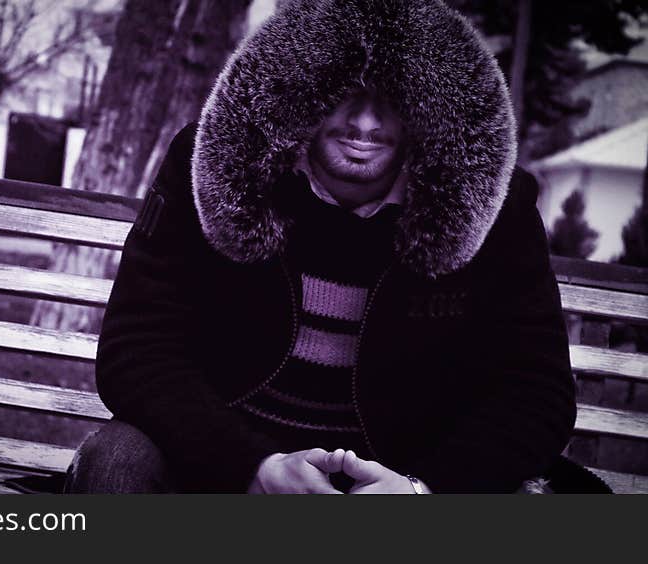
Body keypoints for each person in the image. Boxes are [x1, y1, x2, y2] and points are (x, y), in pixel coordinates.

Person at [64, 0, 609, 493]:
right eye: (343, 93)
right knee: (116, 461)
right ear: (304, 89)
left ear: (429, 106)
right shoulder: (212, 162)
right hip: (222, 462)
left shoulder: (495, 206)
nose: (365, 123)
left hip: (400, 478)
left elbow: (537, 392)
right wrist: (249, 466)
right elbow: (137, 345)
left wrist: (424, 491)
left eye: (393, 100)